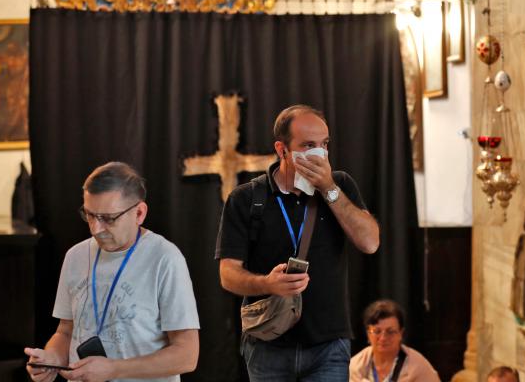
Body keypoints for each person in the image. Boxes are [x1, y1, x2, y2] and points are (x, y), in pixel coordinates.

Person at [216, 104, 380, 381]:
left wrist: (329, 189)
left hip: (328, 345)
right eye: (308, 145)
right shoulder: (246, 198)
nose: (320, 153)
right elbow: (228, 274)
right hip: (267, 341)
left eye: (324, 144)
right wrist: (267, 284)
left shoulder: (340, 185)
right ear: (282, 150)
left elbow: (370, 242)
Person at [25, 162, 200, 382]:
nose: (96, 229)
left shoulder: (165, 258)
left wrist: (114, 369)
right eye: (90, 215)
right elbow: (66, 331)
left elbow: (187, 356)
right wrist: (51, 358)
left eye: (108, 219)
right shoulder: (75, 256)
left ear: (139, 213)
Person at [349, 300, 440, 382]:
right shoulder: (354, 367)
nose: (383, 338)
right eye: (377, 331)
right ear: (368, 334)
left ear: (401, 333)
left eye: (390, 332)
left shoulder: (419, 367)